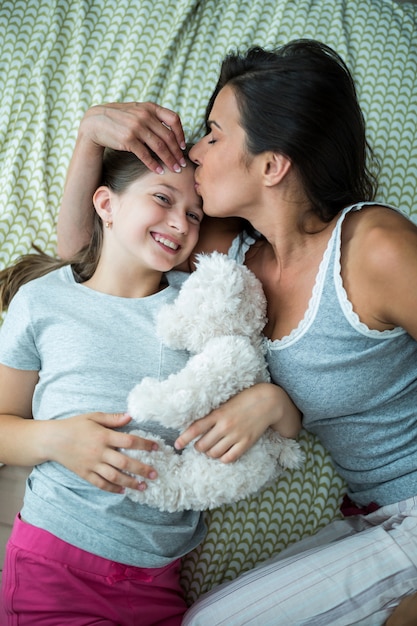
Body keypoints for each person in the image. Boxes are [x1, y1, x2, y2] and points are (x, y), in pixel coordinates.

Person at [55, 39, 417, 625]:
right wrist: (90, 134)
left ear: (272, 166)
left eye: (214, 135)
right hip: (370, 519)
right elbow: (84, 259)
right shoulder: (232, 252)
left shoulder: (372, 247)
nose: (195, 151)